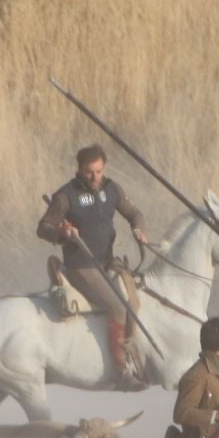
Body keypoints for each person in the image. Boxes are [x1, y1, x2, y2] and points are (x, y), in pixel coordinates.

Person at [37, 144, 151, 390]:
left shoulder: (112, 190)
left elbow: (134, 214)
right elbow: (43, 227)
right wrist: (63, 232)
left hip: (108, 261)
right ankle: (121, 373)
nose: (95, 177)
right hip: (82, 265)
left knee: (136, 299)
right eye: (89, 172)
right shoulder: (66, 196)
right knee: (118, 308)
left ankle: (133, 354)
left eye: (99, 171)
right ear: (79, 170)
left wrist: (138, 229)